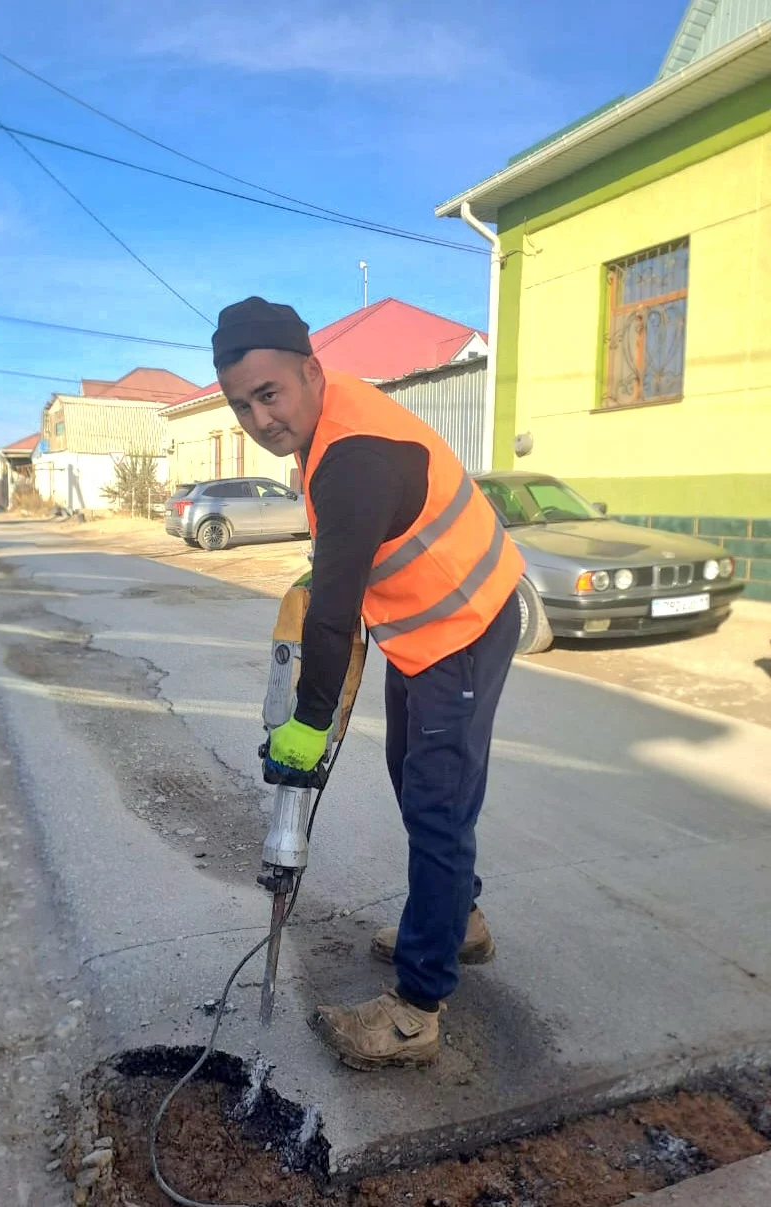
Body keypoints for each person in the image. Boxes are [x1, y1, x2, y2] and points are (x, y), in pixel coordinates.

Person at [212, 297, 524, 1071]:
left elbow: (333, 617)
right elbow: (348, 557)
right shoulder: (325, 421)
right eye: (241, 405)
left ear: (310, 372)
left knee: (437, 802)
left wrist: (308, 721)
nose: (259, 418)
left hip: (465, 622)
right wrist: (329, 565)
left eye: (269, 394)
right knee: (414, 778)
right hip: (424, 628)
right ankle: (458, 921)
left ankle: (417, 1010)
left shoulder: (351, 457)